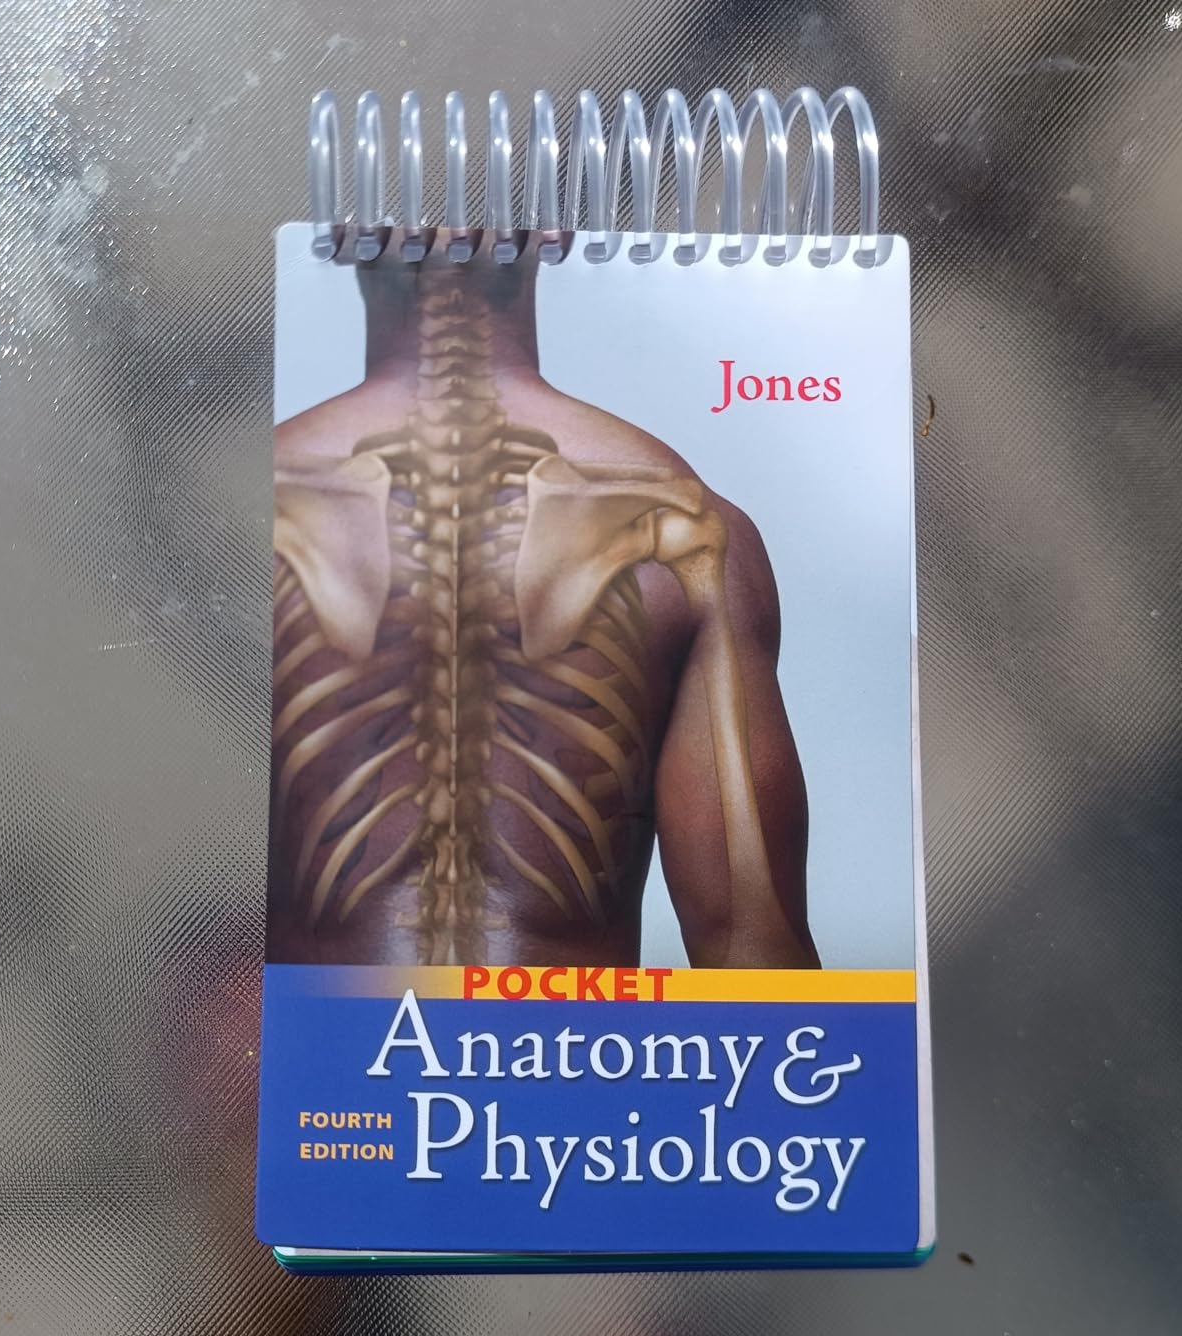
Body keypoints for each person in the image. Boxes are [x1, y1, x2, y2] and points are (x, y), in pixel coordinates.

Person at [267, 246, 817, 969]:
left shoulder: (241, 517)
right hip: (567, 1044)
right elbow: (753, 951)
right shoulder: (687, 528)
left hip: (326, 1047)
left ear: (345, 226)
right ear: (551, 225)